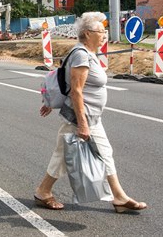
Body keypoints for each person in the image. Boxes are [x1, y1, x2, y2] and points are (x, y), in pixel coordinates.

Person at [34, 11, 147, 213]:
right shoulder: (80, 55)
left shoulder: (87, 53)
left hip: (90, 117)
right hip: (80, 118)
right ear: (87, 33)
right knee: (64, 156)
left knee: (100, 153)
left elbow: (66, 82)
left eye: (104, 31)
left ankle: (119, 197)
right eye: (101, 31)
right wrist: (83, 123)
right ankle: (43, 192)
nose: (104, 35)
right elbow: (76, 90)